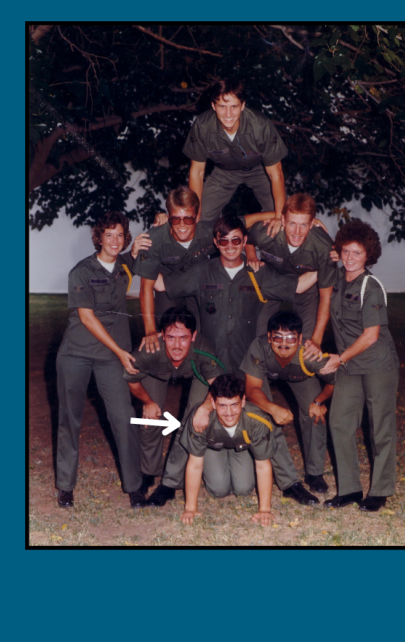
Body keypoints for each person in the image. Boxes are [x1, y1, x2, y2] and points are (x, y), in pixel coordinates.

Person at [143, 214, 320, 507]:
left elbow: (298, 286)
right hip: (209, 364)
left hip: (246, 362)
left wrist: (331, 258)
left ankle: (290, 483)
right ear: (216, 242)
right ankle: (168, 484)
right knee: (192, 416)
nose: (229, 246)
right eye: (223, 240)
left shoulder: (256, 273)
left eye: (236, 239)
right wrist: (142, 250)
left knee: (265, 415)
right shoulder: (202, 271)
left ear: (244, 241)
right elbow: (161, 284)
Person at [55, 212, 146, 508]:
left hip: (109, 358)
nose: (115, 241)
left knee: (123, 417)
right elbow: (86, 317)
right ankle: (66, 487)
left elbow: (133, 260)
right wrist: (121, 352)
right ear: (98, 238)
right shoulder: (81, 271)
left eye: (120, 235)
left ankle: (134, 487)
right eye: (109, 235)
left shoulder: (123, 266)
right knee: (70, 419)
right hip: (76, 354)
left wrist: (155, 226)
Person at [131, 186, 276, 354]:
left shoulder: (210, 230)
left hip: (197, 281)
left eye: (189, 219)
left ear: (198, 217)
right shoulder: (154, 239)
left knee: (203, 330)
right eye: (176, 219)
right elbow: (145, 288)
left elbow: (251, 220)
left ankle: (201, 368)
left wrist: (285, 217)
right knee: (166, 329)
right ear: (169, 217)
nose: (182, 225)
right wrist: (149, 331)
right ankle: (168, 371)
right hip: (166, 283)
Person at [322, 220, 400, 512]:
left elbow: (371, 335)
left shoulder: (371, 286)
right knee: (340, 421)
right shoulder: (339, 278)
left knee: (379, 426)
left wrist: (339, 359)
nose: (350, 257)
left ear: (369, 256)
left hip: (377, 362)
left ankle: (380, 490)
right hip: (350, 363)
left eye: (357, 253)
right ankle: (350, 489)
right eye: (346, 251)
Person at [122, 306, 223, 496]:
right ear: (161, 335)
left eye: (183, 338)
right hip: (156, 372)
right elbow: (132, 381)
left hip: (197, 373)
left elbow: (218, 386)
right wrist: (148, 402)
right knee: (150, 419)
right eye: (171, 337)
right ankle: (149, 472)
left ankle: (171, 481)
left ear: (193, 336)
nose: (177, 345)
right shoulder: (148, 351)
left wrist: (204, 408)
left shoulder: (203, 349)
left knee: (192, 418)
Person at [240, 311, 337, 494]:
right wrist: (272, 408)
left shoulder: (309, 355)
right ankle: (289, 483)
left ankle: (315, 474)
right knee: (265, 414)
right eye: (277, 337)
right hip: (263, 375)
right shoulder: (258, 347)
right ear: (269, 337)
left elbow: (334, 381)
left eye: (291, 338)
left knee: (315, 414)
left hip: (301, 375)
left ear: (300, 339)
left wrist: (318, 402)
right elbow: (252, 389)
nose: (283, 343)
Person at [184, 77, 288, 223]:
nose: (228, 114)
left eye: (234, 106)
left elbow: (276, 173)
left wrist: (278, 217)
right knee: (198, 218)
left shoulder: (260, 125)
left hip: (260, 171)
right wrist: (196, 211)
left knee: (284, 215)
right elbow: (197, 171)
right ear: (213, 106)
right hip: (224, 172)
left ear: (242, 106)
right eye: (222, 106)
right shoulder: (202, 125)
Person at [179, 374, 278, 526]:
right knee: (218, 490)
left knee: (244, 488)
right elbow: (195, 464)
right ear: (212, 402)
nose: (229, 413)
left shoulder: (257, 420)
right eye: (222, 405)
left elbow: (263, 465)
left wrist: (264, 509)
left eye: (234, 405)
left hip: (242, 448)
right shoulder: (200, 420)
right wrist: (190, 508)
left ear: (243, 401)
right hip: (214, 447)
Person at [247, 193, 336, 350]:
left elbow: (326, 297)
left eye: (303, 225)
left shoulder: (324, 247)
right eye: (292, 223)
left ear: (312, 224)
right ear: (282, 220)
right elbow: (248, 238)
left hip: (306, 287)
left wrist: (316, 339)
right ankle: (263, 370)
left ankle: (298, 372)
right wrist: (251, 255)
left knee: (307, 344)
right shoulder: (267, 232)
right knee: (259, 335)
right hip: (274, 280)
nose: (297, 232)